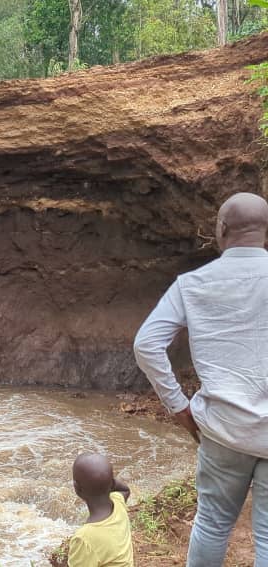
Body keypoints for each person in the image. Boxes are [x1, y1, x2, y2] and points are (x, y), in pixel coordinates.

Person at [134, 192, 268, 566]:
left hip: (222, 429)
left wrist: (178, 406)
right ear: (266, 233)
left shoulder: (193, 283)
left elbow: (146, 345)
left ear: (221, 230)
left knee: (212, 524)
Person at [68, 453, 134, 567]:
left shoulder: (84, 539)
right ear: (112, 483)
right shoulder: (118, 504)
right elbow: (125, 489)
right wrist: (109, 481)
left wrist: (109, 482)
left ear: (77, 488)